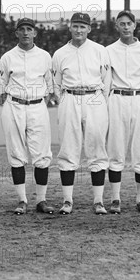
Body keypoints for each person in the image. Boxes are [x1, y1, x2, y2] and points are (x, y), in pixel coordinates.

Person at [52, 12, 111, 215]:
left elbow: (107, 80)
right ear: (70, 27)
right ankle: (67, 200)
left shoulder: (100, 50)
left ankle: (98, 201)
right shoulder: (60, 53)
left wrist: (100, 100)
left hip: (95, 97)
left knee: (97, 148)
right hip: (70, 97)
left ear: (89, 28)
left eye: (83, 26)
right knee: (68, 148)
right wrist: (66, 99)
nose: (79, 30)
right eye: (75, 26)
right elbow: (56, 84)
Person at [0, 17, 56, 215]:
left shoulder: (44, 56)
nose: (25, 33)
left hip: (37, 105)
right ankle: (22, 200)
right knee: (16, 153)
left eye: (29, 29)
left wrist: (39, 104)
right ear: (16, 33)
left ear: (35, 33)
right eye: (21, 29)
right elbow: (1, 85)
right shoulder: (7, 57)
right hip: (14, 104)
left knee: (41, 154)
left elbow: (50, 85)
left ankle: (41, 200)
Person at [105, 10, 140, 214]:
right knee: (116, 150)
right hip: (117, 98)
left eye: (129, 23)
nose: (125, 27)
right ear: (116, 26)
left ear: (135, 26)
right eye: (121, 24)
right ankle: (115, 199)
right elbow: (105, 78)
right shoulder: (108, 50)